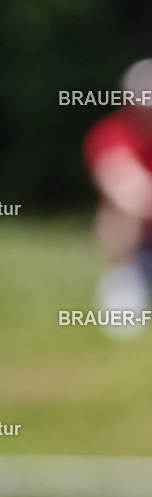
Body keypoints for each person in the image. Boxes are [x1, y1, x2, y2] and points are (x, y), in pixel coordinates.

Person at [86, 59, 152, 336]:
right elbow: (129, 193)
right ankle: (125, 285)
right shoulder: (111, 135)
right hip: (138, 241)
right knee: (118, 213)